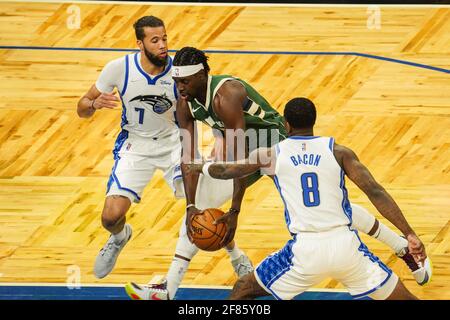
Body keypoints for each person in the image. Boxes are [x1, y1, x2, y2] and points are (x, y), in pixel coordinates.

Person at [125, 47, 430, 300]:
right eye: (177, 83)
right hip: (248, 152)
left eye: (186, 82)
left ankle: (171, 286)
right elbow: (188, 159)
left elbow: (240, 160)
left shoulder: (226, 95)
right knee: (200, 203)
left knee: (329, 206)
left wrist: (234, 210)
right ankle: (402, 246)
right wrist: (191, 206)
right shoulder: (185, 104)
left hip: (276, 143)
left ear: (203, 76)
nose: (180, 88)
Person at [188, 97, 431, 300]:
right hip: (346, 247)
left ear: (286, 124)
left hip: (304, 252)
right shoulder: (339, 152)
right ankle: (400, 246)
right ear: (314, 122)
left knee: (242, 290)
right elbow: (376, 192)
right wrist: (409, 233)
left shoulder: (271, 155)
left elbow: (228, 171)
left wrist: (198, 167)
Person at [77, 16, 252, 295]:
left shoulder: (180, 72)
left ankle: (237, 258)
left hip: (174, 143)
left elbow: (207, 111)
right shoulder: (118, 70)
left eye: (165, 39)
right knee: (110, 217)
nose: (162, 46)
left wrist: (218, 141)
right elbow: (82, 107)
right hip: (136, 146)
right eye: (155, 40)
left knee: (202, 207)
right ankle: (120, 237)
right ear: (140, 43)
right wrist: (94, 104)